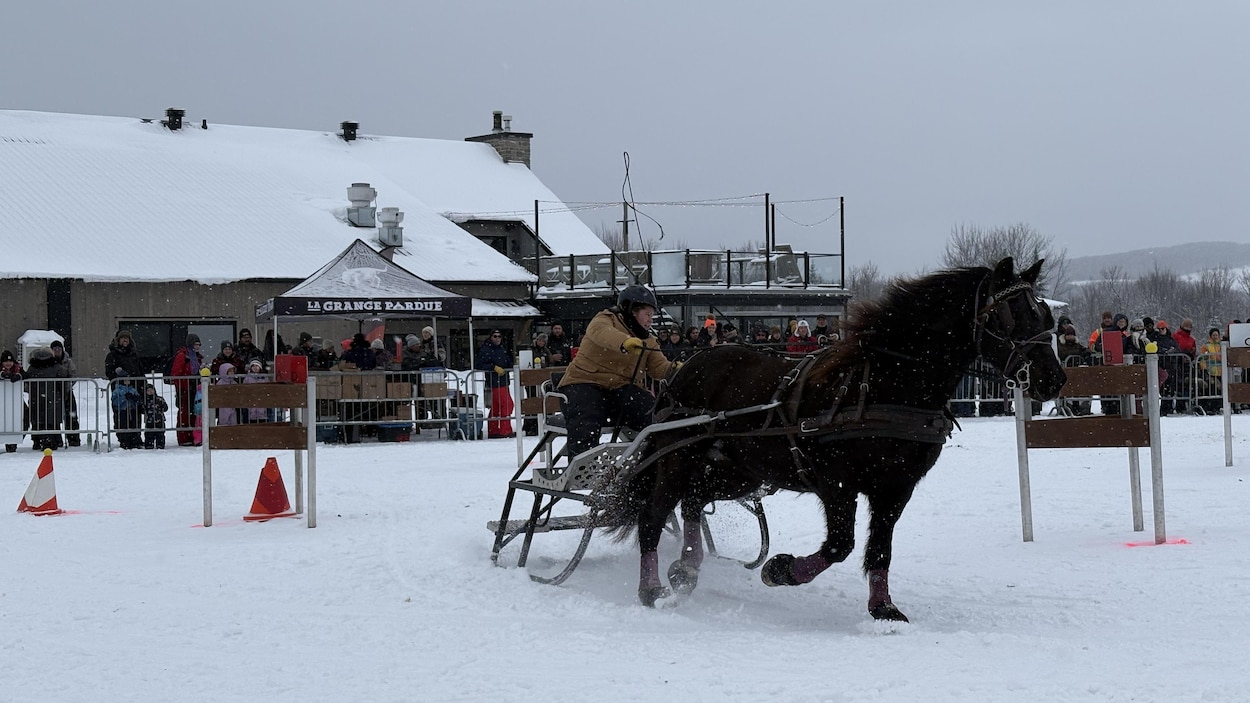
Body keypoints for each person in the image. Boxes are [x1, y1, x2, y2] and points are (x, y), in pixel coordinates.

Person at [557, 285, 674, 458]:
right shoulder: (605, 319)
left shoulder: (648, 340)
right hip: (582, 382)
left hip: (620, 389)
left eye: (652, 315)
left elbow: (658, 368)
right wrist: (625, 342)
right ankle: (583, 465)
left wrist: (678, 369)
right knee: (585, 419)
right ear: (632, 311)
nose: (651, 320)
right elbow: (602, 333)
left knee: (653, 414)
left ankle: (653, 460)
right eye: (647, 314)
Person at [25, 347, 68, 451]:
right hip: (53, 398)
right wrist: (63, 395)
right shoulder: (57, 367)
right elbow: (63, 383)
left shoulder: (32, 368)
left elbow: (27, 384)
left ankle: (37, 440)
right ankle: (53, 439)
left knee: (37, 419)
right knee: (52, 419)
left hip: (36, 398)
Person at [475, 330, 514, 438]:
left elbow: (508, 361)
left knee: (497, 407)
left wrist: (511, 365)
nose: (497, 338)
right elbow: (479, 364)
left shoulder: (502, 348)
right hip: (494, 381)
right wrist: (493, 367)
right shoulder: (486, 349)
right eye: (495, 336)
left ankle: (494, 430)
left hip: (502, 381)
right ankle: (504, 430)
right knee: (506, 405)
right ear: (491, 337)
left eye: (499, 336)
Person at [169, 333, 204, 446]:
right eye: (195, 344)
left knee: (195, 412)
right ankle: (184, 437)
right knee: (185, 413)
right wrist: (182, 386)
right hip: (185, 388)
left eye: (199, 344)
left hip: (195, 388)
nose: (197, 346)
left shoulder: (197, 357)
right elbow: (176, 373)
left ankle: (194, 436)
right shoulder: (182, 356)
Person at [1056, 325, 1093, 415]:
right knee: (1066, 391)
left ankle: (1077, 408)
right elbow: (1062, 354)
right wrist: (1076, 354)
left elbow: (1084, 350)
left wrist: (1087, 353)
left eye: (1072, 335)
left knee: (1076, 391)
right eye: (1068, 335)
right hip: (1065, 371)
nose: (1070, 337)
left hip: (1076, 372)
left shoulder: (1077, 345)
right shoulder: (1061, 345)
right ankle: (1065, 407)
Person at [49, 340, 81, 446]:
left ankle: (73, 439)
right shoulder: (48, 361)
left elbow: (73, 373)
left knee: (71, 415)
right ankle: (56, 439)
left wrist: (68, 384)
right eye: (55, 349)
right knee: (54, 416)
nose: (57, 351)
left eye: (59, 349)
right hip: (53, 393)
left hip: (66, 391)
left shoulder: (68, 361)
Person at [110, 370, 143, 449]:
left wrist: (135, 398)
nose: (128, 381)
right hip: (122, 411)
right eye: (126, 380)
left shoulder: (132, 389)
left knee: (134, 424)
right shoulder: (117, 390)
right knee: (123, 425)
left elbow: (139, 400)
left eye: (128, 379)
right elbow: (115, 402)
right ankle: (124, 441)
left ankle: (135, 440)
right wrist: (124, 398)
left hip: (132, 411)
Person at [1, 350, 24, 453]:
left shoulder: (18, 368)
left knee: (19, 418)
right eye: (5, 361)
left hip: (15, 400)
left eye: (10, 361)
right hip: (2, 400)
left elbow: (27, 374)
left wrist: (19, 376)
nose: (8, 363)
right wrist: (2, 375)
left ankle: (12, 442)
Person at [142, 382, 169, 449]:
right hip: (149, 420)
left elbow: (165, 408)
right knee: (149, 434)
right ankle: (149, 444)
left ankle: (160, 444)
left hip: (160, 419)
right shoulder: (145, 400)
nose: (150, 392)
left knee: (160, 434)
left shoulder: (159, 399)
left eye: (151, 390)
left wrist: (162, 407)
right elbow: (142, 410)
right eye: (148, 390)